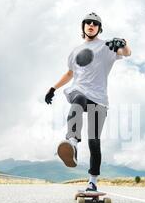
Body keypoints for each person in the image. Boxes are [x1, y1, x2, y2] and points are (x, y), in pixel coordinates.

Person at [45, 12, 131, 191]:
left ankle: (92, 181)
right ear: (83, 27)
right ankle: (73, 143)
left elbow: (126, 53)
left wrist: (123, 42)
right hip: (81, 91)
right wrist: (53, 88)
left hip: (100, 100)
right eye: (88, 23)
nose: (91, 25)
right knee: (78, 98)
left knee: (94, 140)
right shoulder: (75, 51)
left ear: (99, 28)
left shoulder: (107, 46)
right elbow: (70, 74)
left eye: (95, 23)